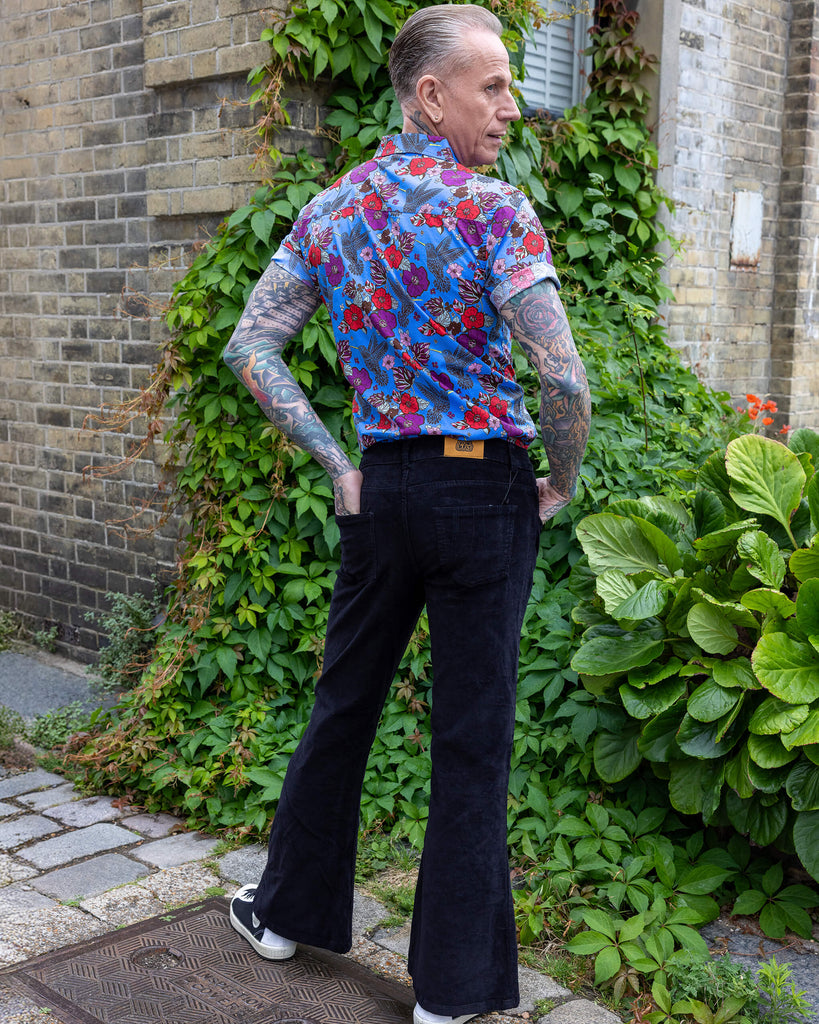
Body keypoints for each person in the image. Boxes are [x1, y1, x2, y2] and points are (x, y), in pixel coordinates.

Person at [222, 6, 590, 1023]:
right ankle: (450, 996)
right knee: (472, 736)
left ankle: (284, 915)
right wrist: (560, 479)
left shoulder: (332, 212)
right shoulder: (494, 212)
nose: (511, 107)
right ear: (430, 95)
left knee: (344, 703)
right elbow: (564, 377)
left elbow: (252, 347)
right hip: (485, 490)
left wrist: (338, 460)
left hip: (380, 492)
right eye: (494, 86)